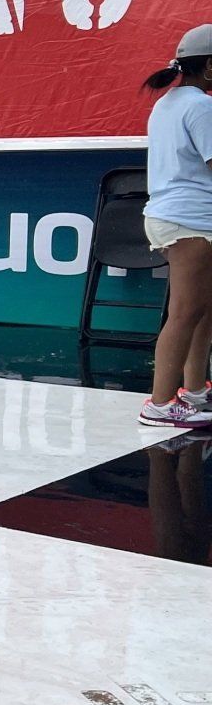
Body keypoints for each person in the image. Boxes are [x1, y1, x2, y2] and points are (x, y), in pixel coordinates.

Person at [140, 23, 212, 428]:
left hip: (182, 218)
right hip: (190, 222)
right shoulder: (201, 107)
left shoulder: (170, 102)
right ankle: (160, 404)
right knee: (186, 312)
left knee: (203, 310)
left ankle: (195, 391)